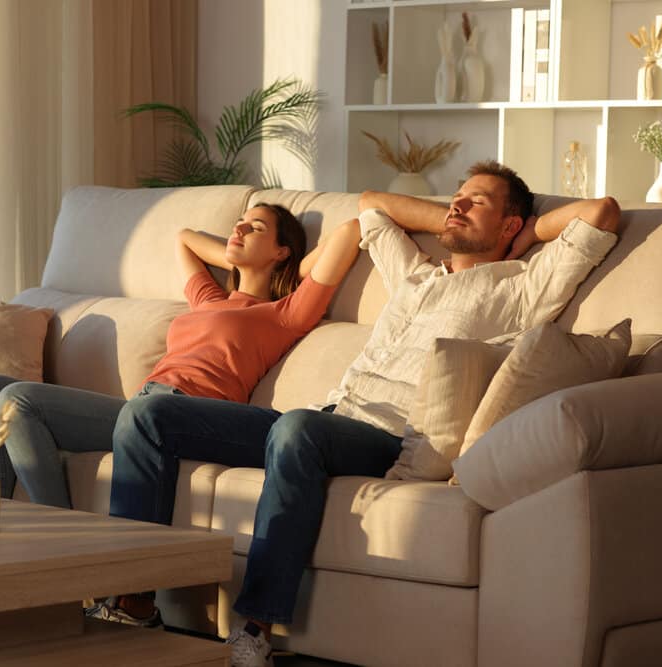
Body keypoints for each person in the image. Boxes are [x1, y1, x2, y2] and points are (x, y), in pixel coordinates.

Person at [106, 161, 621, 666]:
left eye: (476, 201)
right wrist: (451, 215)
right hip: (323, 417)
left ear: (510, 224)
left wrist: (529, 234)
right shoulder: (416, 274)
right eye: (455, 196)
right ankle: (132, 598)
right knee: (147, 416)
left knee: (296, 429)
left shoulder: (522, 285)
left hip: (384, 437)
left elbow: (601, 211)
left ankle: (255, 627)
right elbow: (372, 204)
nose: (456, 204)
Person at [0, 201, 362, 510]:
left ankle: (62, 537)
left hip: (192, 414)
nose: (238, 229)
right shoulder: (210, 299)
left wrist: (294, 267)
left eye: (255, 228)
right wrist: (238, 253)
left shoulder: (284, 313)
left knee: (18, 401)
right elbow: (184, 238)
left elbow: (350, 230)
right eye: (237, 223)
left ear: (281, 252)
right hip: (140, 408)